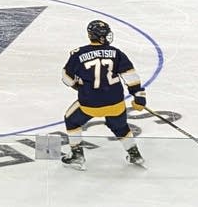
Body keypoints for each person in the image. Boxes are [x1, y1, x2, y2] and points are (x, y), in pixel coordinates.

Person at [61, 20, 147, 170]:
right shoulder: (116, 52)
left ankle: (77, 155)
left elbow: (66, 78)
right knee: (120, 127)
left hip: (90, 104)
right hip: (115, 103)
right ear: (101, 36)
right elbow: (131, 76)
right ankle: (135, 154)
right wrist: (139, 97)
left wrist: (78, 86)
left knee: (71, 120)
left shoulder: (78, 53)